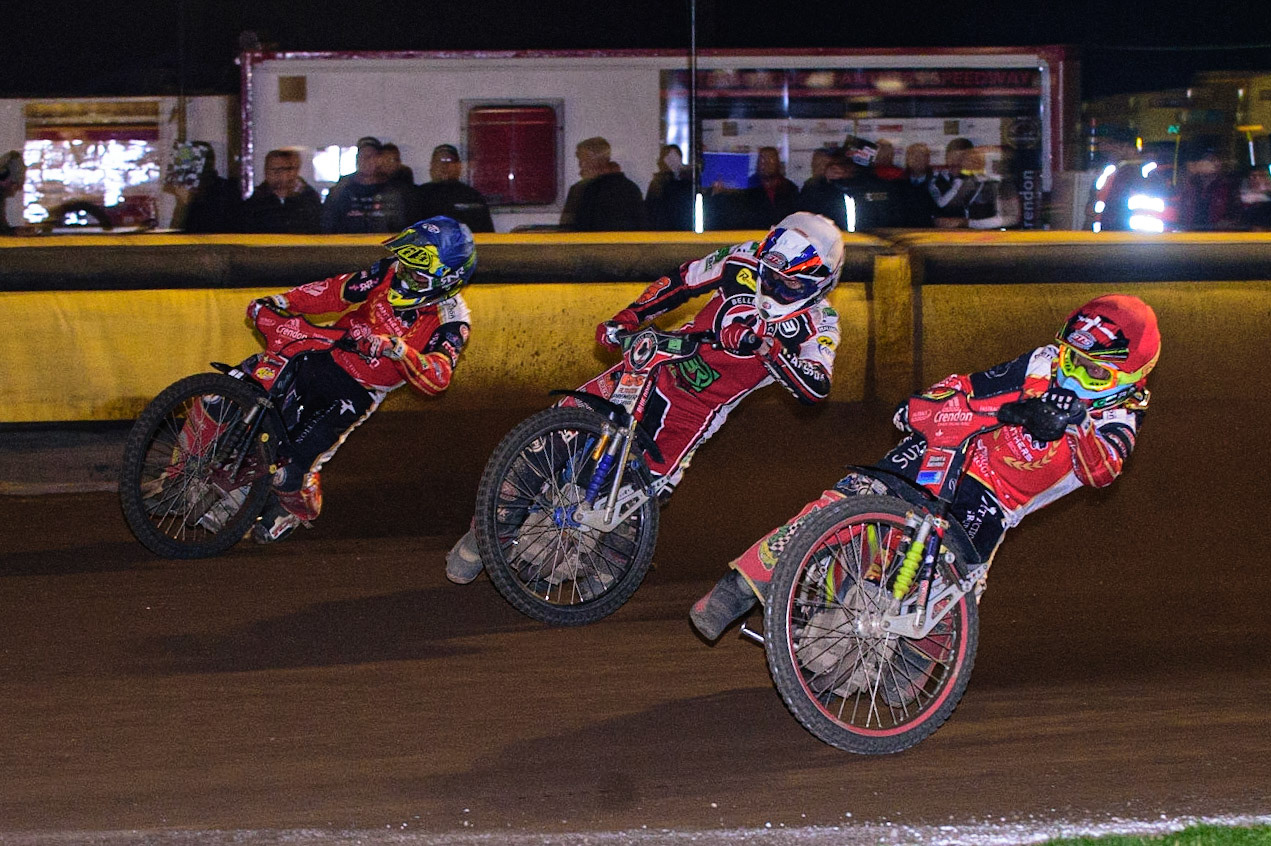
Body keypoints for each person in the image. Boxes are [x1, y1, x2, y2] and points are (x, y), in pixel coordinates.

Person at [689, 293, 1160, 641]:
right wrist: (930, 403)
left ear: (1131, 377)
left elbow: (1103, 474)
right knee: (852, 494)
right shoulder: (1040, 363)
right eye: (1070, 359)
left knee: (935, 632)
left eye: (1093, 372)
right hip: (959, 451)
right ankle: (740, 587)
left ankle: (906, 656)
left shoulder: (1119, 418)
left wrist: (1077, 424)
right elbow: (975, 387)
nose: (1073, 376)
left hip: (996, 503)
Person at [445, 211, 846, 583]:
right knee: (551, 432)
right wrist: (629, 317)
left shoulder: (820, 322)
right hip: (655, 361)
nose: (773, 285)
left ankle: (607, 573)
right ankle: (484, 532)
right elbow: (681, 280)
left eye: (788, 283)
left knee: (640, 497)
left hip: (695, 411)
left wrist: (768, 348)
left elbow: (816, 386)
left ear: (821, 282)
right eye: (769, 274)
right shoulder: (743, 257)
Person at [244, 216, 477, 542]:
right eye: (403, 263)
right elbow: (338, 291)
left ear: (445, 279)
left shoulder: (453, 321)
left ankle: (296, 506)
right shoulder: (389, 271)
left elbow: (439, 376)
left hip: (357, 391)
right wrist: (284, 300)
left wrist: (399, 350)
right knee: (246, 393)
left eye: (414, 271)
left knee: (287, 470)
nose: (402, 273)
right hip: (324, 349)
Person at [321, 136, 417, 233]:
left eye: (370, 156)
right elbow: (327, 227)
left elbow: (408, 228)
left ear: (379, 160)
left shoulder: (397, 193)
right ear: (356, 159)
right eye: (362, 156)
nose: (365, 161)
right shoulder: (339, 191)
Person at [560, 136, 646, 231]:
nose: (581, 165)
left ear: (600, 161)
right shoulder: (630, 188)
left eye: (585, 160)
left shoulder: (581, 190)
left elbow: (567, 229)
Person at [239, 149, 322, 234]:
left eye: (288, 169)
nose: (282, 175)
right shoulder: (255, 201)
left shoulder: (309, 199)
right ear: (266, 171)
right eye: (275, 170)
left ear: (297, 170)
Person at [415, 144, 495, 233]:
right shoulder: (418, 196)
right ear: (431, 166)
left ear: (458, 166)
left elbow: (486, 235)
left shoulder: (472, 196)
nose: (444, 166)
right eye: (439, 161)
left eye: (449, 161)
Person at [645, 144, 695, 231]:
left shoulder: (687, 183)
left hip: (682, 230)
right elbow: (651, 212)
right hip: (664, 232)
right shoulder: (658, 184)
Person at [929, 137, 976, 228]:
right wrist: (958, 182)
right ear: (946, 158)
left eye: (961, 158)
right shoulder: (936, 180)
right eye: (952, 157)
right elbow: (940, 204)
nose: (956, 162)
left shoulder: (980, 181)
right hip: (943, 235)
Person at [895, 142, 937, 228]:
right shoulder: (897, 185)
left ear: (928, 159)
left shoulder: (938, 183)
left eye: (922, 155)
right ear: (907, 159)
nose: (917, 158)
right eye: (913, 155)